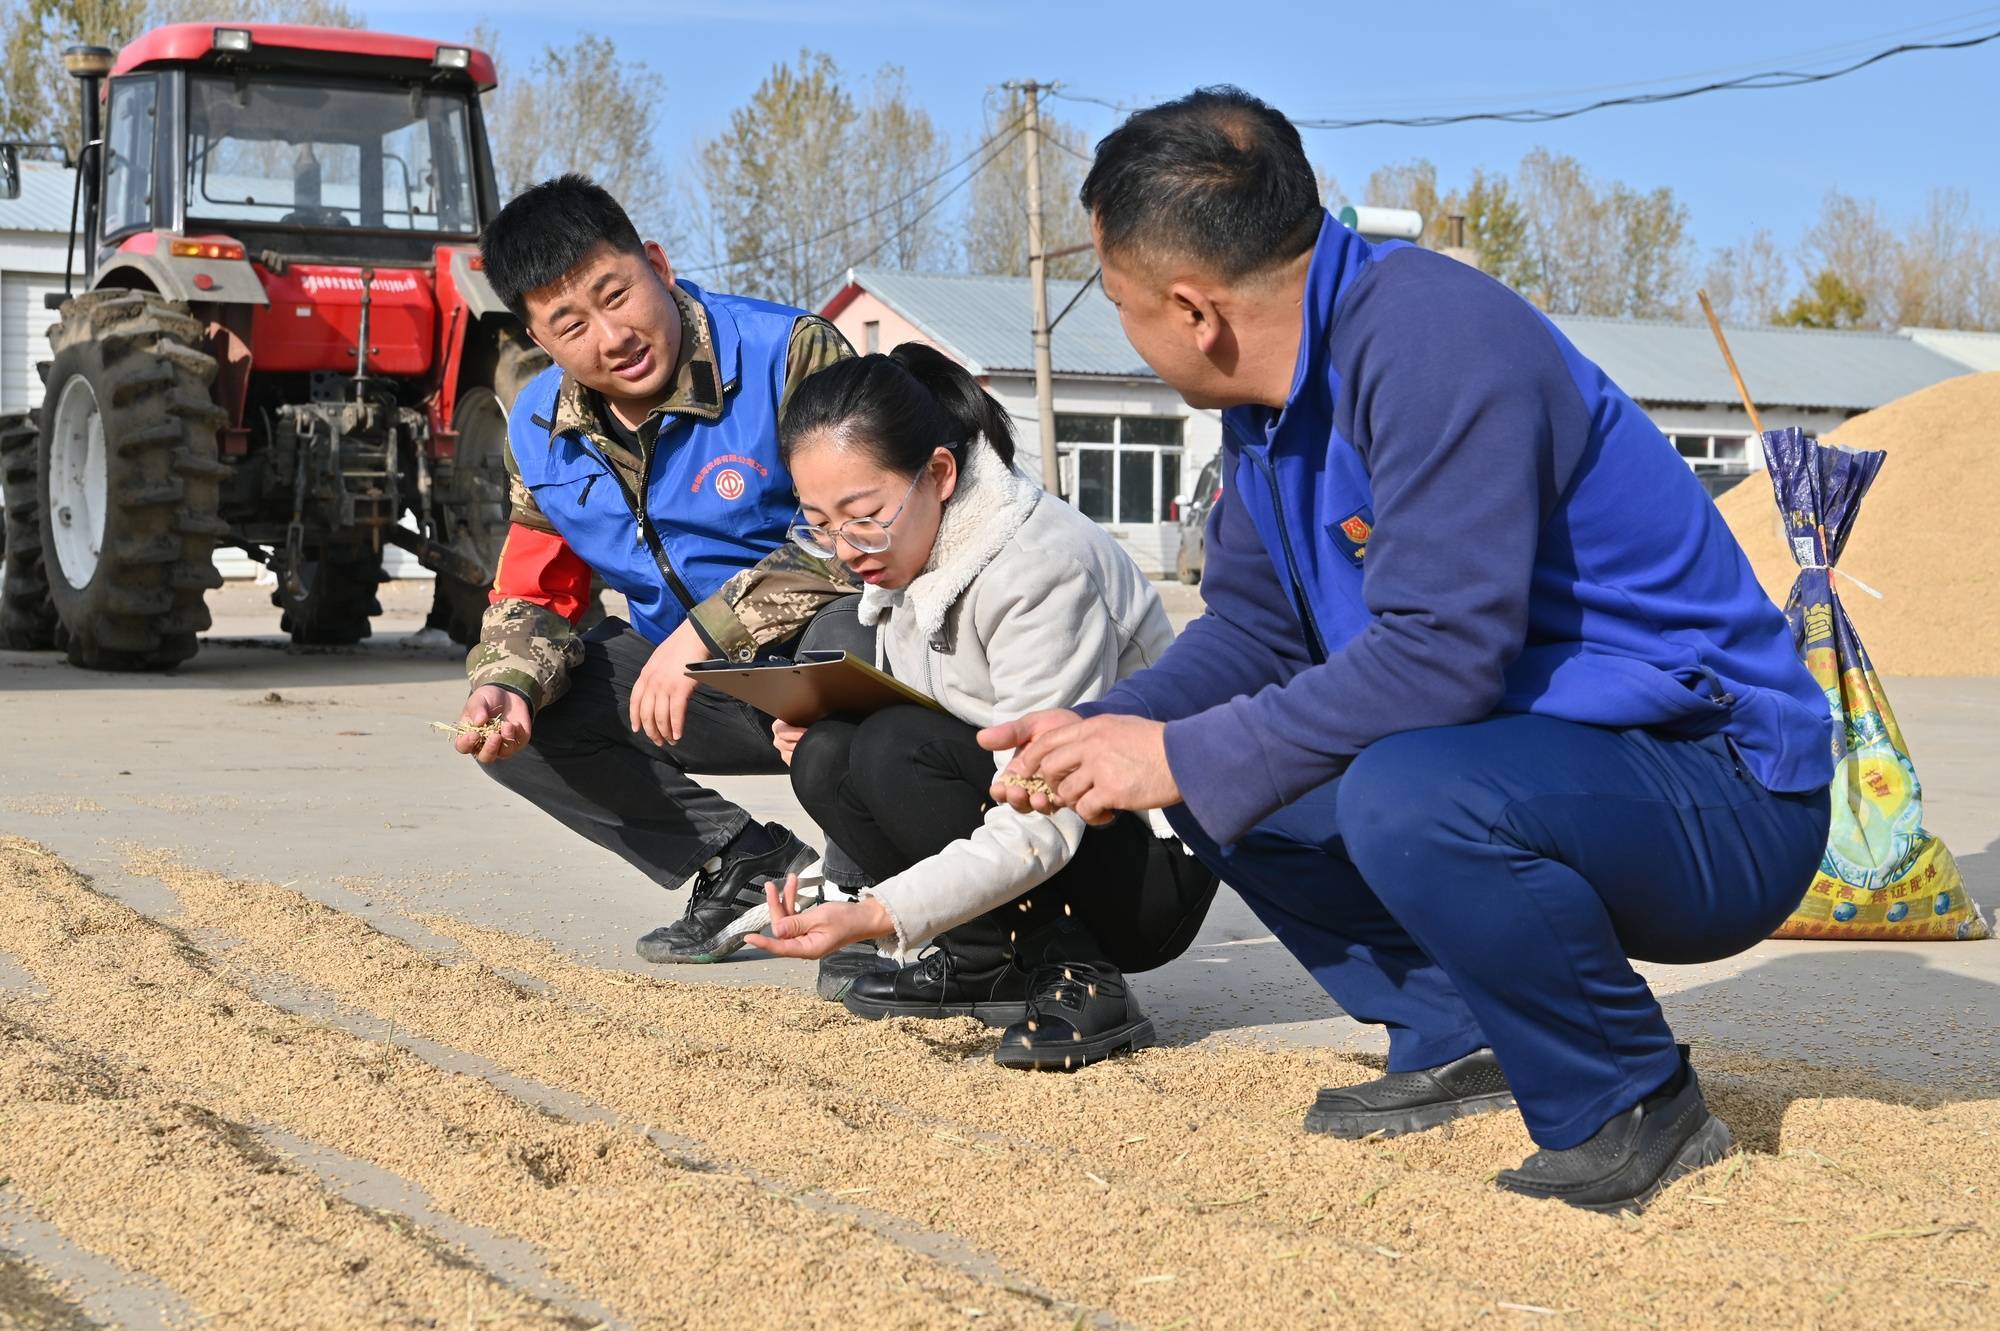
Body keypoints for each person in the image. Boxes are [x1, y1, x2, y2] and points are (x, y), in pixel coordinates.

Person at [984, 89, 1835, 1209]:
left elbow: (1442, 655)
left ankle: (1630, 1100)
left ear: (1192, 310)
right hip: (1556, 754)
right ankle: (1453, 1029)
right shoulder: (1269, 405)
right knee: (1209, 763)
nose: (1126, 334)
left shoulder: (1432, 338)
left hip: (1717, 786)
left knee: (1393, 790)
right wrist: (1108, 727)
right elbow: (1251, 632)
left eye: (1122, 304)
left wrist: (1179, 751)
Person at [742, 344, 1219, 1071]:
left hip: (1144, 864)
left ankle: (1084, 976)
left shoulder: (1039, 568)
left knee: (890, 748)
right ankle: (985, 961)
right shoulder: (906, 549)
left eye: (863, 515)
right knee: (826, 752)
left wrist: (879, 913)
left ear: (939, 473)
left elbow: (1046, 807)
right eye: (819, 523)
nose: (844, 549)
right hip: (1033, 816)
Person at [448, 174, 876, 968]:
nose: (611, 337)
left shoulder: (790, 353)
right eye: (570, 324)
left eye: (617, 295)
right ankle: (742, 862)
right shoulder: (540, 432)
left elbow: (855, 533)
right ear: (540, 341)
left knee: (852, 637)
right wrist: (504, 680)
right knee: (527, 715)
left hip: (821, 661)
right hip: (695, 690)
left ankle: (868, 894)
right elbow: (535, 591)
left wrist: (702, 631)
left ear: (658, 263)